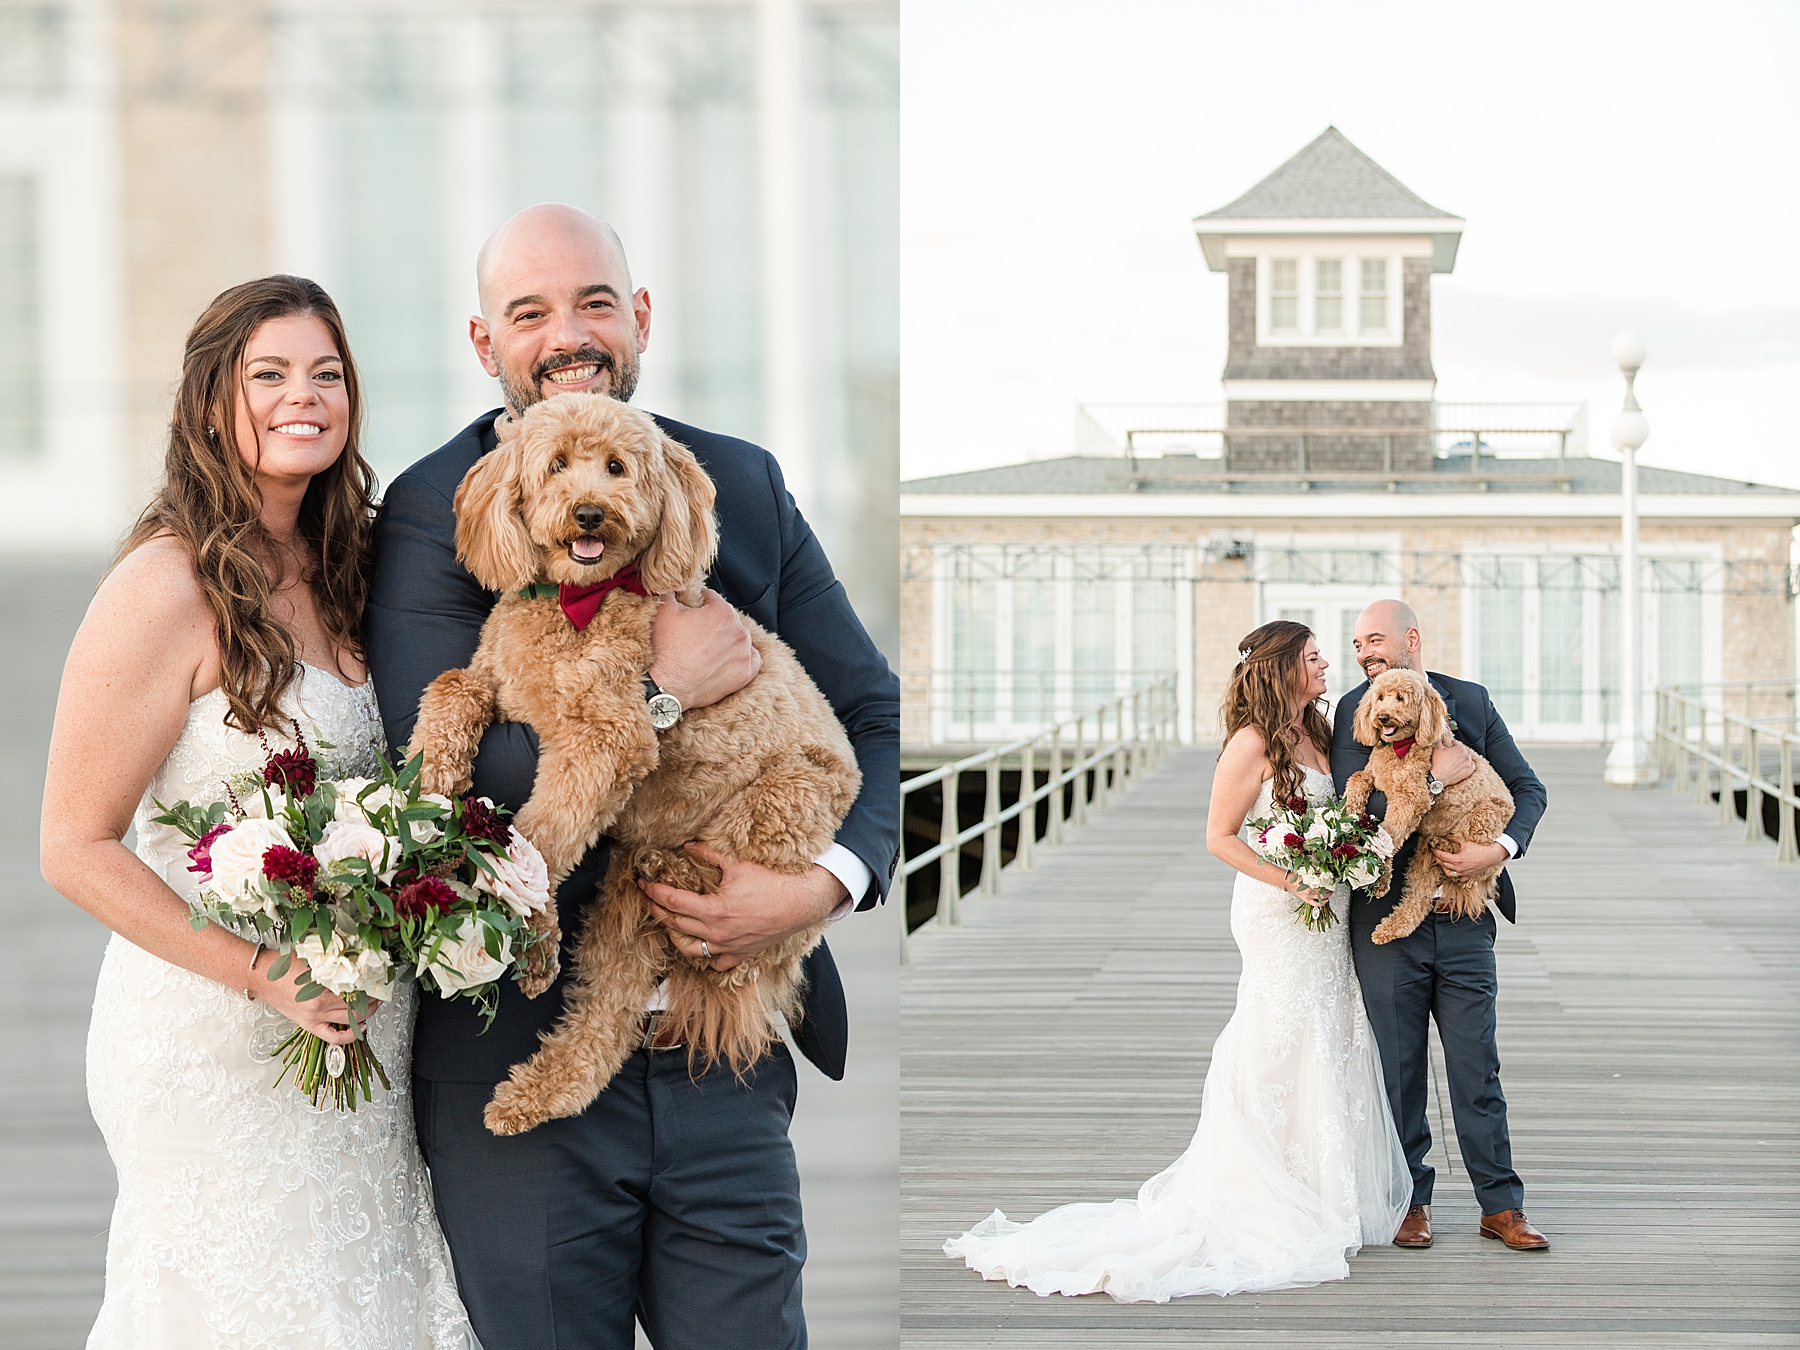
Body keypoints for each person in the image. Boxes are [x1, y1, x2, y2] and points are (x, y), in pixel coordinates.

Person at [365, 204, 900, 1350]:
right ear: (483, 343)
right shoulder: (429, 511)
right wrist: (665, 695)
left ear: (639, 316)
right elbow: (457, 785)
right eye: (531, 312)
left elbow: (869, 710)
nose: (568, 332)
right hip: (516, 1059)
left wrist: (823, 885)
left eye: (595, 302)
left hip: (726, 1048)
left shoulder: (736, 485)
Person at [40, 276, 480, 1347]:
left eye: (327, 374)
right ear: (207, 403)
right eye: (270, 375)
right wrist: (265, 975)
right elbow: (71, 847)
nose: (306, 396)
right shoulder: (163, 583)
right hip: (217, 1034)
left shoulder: (356, 569)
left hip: (361, 1029)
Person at [944, 621, 1409, 1302]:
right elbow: (1220, 837)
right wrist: (1295, 879)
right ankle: (1263, 1190)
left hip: (1327, 908)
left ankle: (1325, 1188)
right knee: (1278, 1035)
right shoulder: (1252, 743)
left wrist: (1343, 856)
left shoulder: (1321, 729)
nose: (1326, 664)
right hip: (1278, 908)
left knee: (1330, 1030)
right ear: (1283, 669)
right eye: (1313, 658)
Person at [1333, 598, 1550, 1252]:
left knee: (1475, 1062)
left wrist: (1498, 849)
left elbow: (1528, 789)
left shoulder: (1473, 701)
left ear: (1412, 639)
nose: (1365, 652)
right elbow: (1361, 797)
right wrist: (1430, 774)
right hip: (1385, 916)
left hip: (1464, 912)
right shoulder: (1355, 709)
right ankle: (1410, 1203)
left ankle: (1500, 1205)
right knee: (1398, 1067)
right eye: (1357, 644)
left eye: (1374, 639)